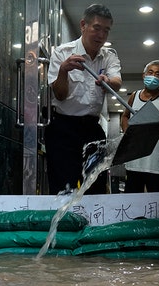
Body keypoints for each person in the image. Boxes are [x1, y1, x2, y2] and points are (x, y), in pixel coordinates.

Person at [46, 4, 122, 195]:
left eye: (106, 30)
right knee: (64, 187)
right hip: (63, 128)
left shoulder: (108, 57)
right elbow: (60, 95)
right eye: (97, 28)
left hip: (92, 129)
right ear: (83, 25)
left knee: (95, 184)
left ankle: (92, 223)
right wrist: (63, 70)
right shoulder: (62, 53)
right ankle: (63, 224)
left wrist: (107, 81)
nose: (101, 35)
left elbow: (117, 81)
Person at [120, 60, 159, 193]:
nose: (153, 76)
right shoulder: (134, 96)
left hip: (155, 159)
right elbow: (125, 116)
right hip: (134, 160)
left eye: (157, 74)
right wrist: (128, 134)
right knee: (132, 198)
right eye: (150, 72)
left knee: (156, 198)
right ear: (143, 75)